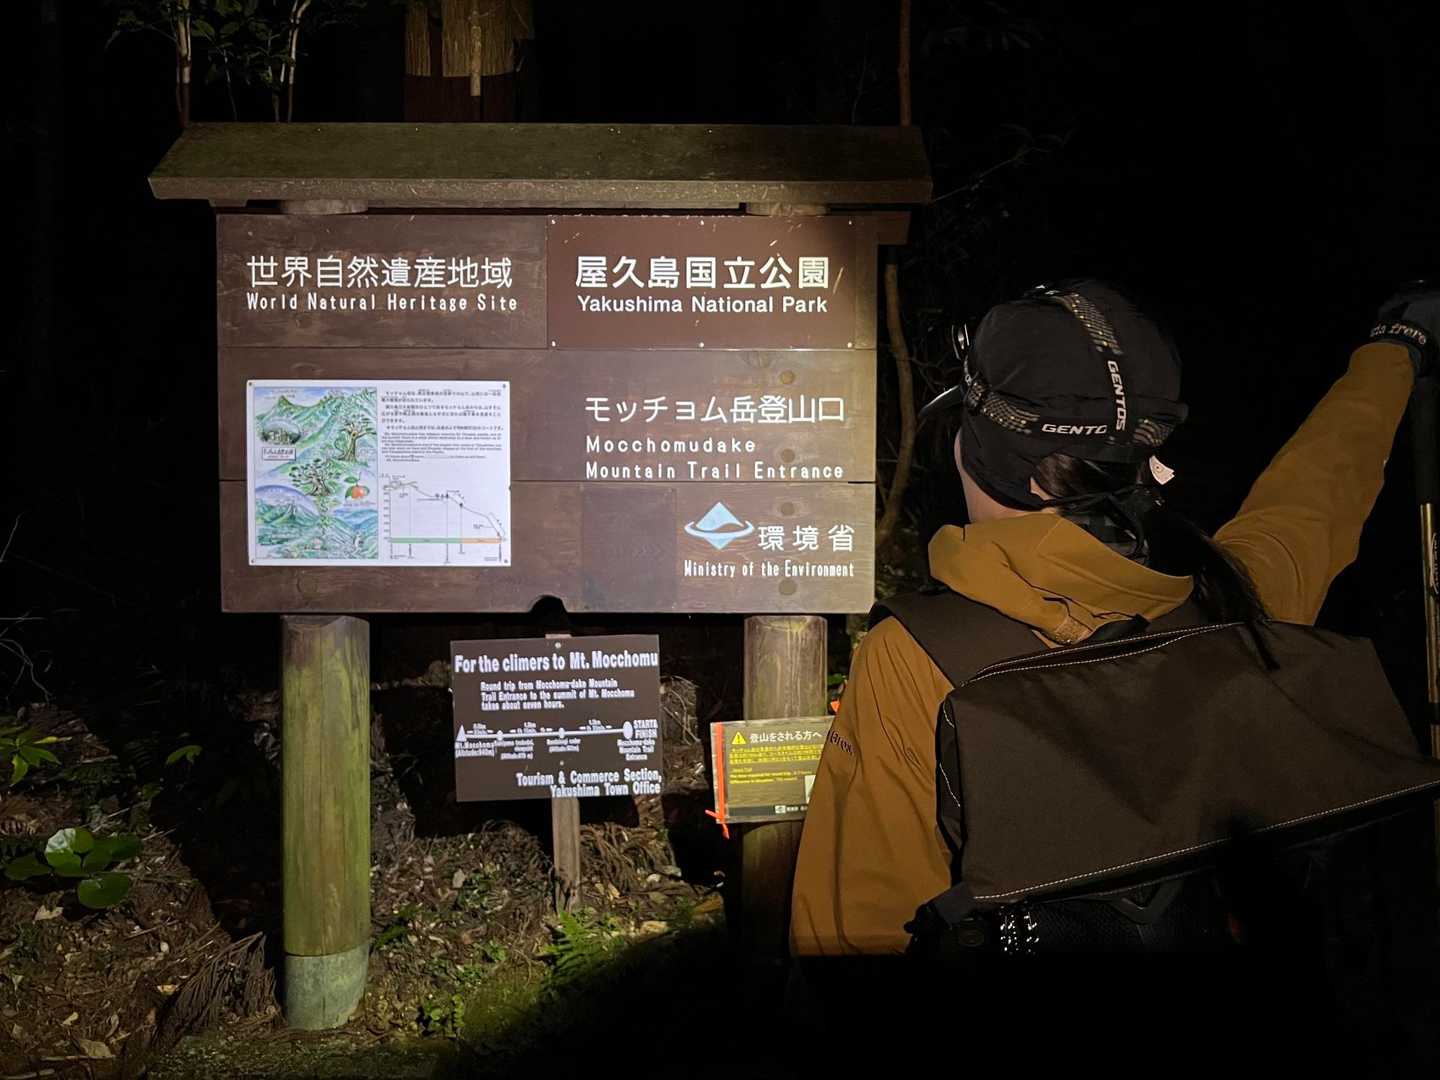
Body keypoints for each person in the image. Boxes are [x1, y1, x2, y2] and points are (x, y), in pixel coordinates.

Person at [790, 279, 1439, 958]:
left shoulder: (917, 658)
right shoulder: (1234, 602)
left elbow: (855, 937)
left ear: (992, 459)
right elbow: (1318, 491)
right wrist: (1397, 349)